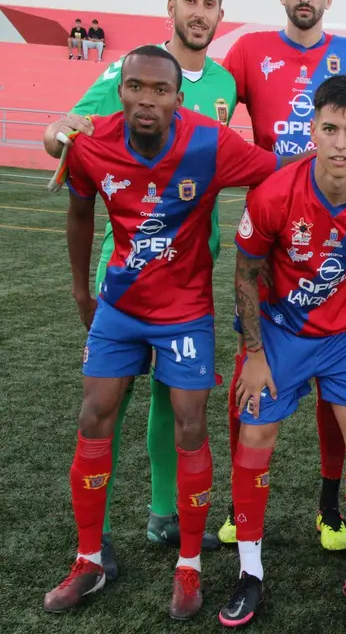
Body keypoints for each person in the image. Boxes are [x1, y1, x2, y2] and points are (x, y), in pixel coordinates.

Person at [43, 46, 282, 619]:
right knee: (94, 413)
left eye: (159, 90)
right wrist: (82, 292)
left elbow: (277, 173)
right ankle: (89, 559)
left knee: (189, 422)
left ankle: (191, 566)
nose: (146, 100)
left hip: (185, 309)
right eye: (135, 88)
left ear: (179, 97)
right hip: (121, 305)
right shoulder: (92, 143)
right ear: (119, 89)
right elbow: (80, 213)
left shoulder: (211, 143)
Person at [41, 0, 236, 581]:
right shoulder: (128, 69)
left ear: (219, 14)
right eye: (190, 0)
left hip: (190, 271)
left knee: (171, 401)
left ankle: (161, 512)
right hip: (124, 263)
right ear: (171, 6)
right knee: (107, 399)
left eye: (210, 2)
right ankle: (93, 544)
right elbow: (70, 132)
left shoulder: (227, 82)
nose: (199, 12)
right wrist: (53, 131)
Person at [221, 0, 346, 550]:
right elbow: (203, 106)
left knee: (338, 382)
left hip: (340, 226)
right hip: (277, 223)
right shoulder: (248, 50)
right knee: (251, 376)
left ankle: (329, 502)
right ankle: (243, 515)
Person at [218, 76, 346, 626]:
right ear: (313, 131)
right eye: (330, 130)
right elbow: (245, 273)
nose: (341, 144)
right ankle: (250, 572)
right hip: (280, 333)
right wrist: (253, 353)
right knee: (256, 434)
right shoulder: (275, 193)